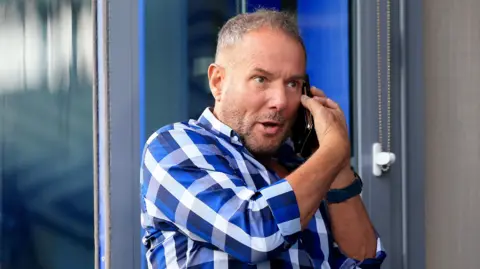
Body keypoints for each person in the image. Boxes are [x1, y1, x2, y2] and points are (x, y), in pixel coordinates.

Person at [140, 9, 386, 268]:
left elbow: (363, 260)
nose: (280, 101)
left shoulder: (308, 172)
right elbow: (255, 234)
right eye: (261, 79)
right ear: (217, 82)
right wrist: (333, 152)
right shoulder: (174, 147)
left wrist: (338, 168)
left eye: (292, 84)